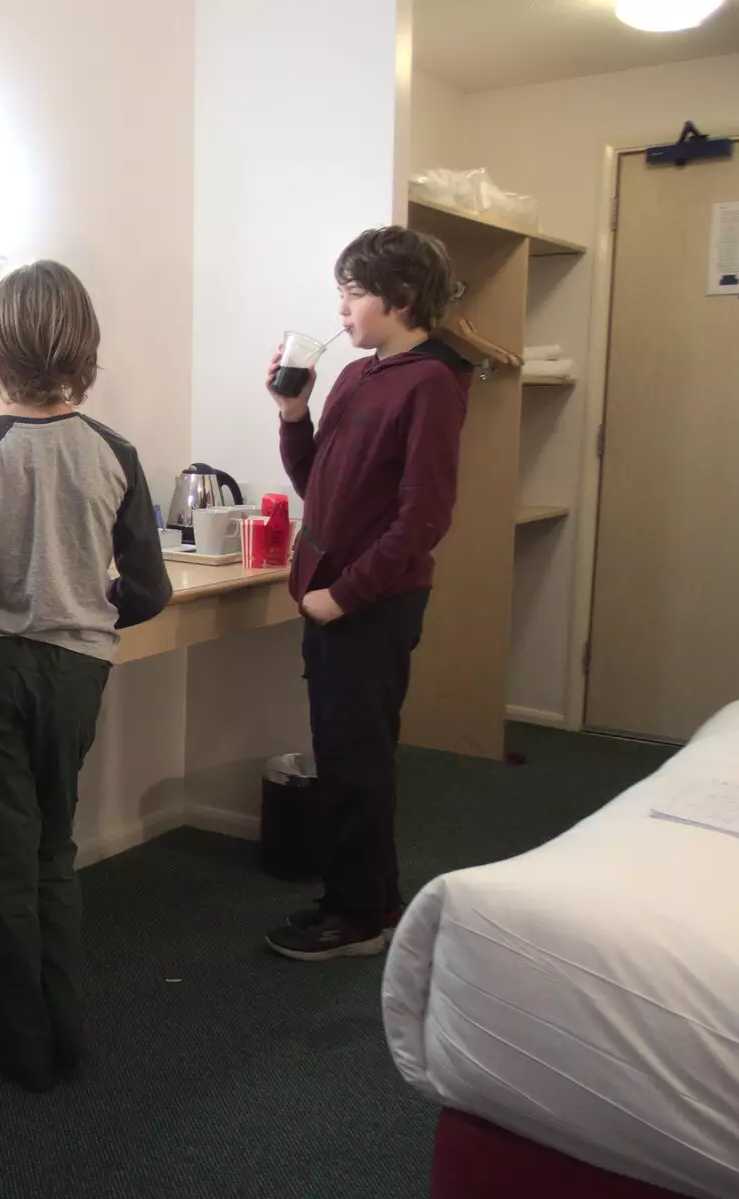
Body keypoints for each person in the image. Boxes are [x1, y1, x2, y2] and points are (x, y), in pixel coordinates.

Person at [0, 260, 171, 1091]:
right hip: (79, 672)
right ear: (85, 351)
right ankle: (70, 1031)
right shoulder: (117, 454)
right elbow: (151, 592)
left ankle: (23, 1047)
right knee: (56, 848)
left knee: (3, 859)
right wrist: (90, 614)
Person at [263, 226, 470, 963]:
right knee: (347, 753)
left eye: (353, 293)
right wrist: (294, 415)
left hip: (371, 604)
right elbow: (318, 481)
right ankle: (368, 901)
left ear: (401, 297)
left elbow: (423, 518)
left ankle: (356, 916)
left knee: (357, 757)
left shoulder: (432, 383)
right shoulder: (357, 375)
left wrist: (344, 596)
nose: (342, 309)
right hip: (331, 594)